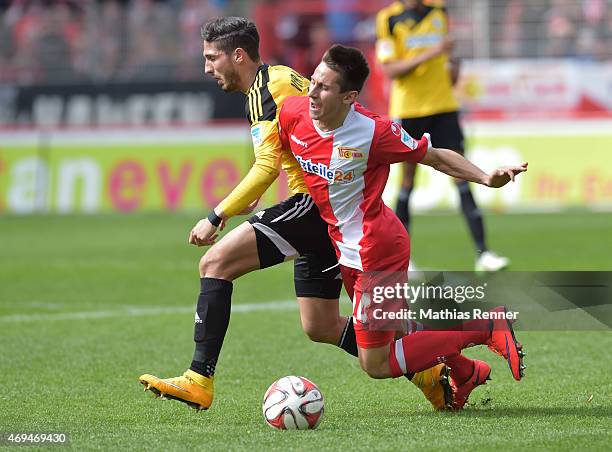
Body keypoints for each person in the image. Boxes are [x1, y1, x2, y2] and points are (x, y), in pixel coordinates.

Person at [139, 17, 453, 412]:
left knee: (215, 262)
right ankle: (426, 373)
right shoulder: (279, 79)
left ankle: (198, 378)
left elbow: (268, 165)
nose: (207, 68)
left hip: (312, 204)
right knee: (320, 324)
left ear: (238, 55)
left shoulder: (267, 91)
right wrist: (253, 194)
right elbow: (282, 153)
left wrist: (217, 215)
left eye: (211, 58)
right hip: (327, 210)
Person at [278, 44, 527, 408]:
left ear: (349, 96)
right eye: (313, 82)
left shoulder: (374, 133)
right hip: (343, 249)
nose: (312, 93)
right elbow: (278, 155)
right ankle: (465, 372)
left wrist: (486, 178)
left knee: (376, 363)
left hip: (376, 250)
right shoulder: (293, 112)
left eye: (324, 87)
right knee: (399, 332)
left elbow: (435, 157)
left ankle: (484, 326)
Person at [375, 0, 509, 272]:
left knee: (462, 175)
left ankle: (484, 254)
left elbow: (448, 57)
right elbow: (390, 70)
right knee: (407, 182)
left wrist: (453, 66)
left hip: (444, 106)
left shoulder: (439, 11)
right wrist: (430, 53)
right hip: (409, 109)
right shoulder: (388, 19)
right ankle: (403, 261)